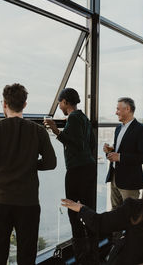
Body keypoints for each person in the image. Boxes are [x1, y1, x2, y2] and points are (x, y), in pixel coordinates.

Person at [0, 83, 57, 265]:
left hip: (0, 202)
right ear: (25, 105)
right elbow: (51, 163)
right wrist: (30, 165)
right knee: (27, 255)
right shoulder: (38, 131)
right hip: (28, 203)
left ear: (4, 104)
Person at [43, 88, 97, 264]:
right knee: (88, 211)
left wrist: (55, 130)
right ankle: (93, 255)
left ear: (65, 101)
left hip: (77, 170)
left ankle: (81, 258)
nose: (59, 106)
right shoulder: (84, 118)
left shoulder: (73, 118)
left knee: (73, 214)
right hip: (89, 168)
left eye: (59, 103)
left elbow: (77, 144)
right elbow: (90, 144)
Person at [103, 97, 143, 210]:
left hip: (130, 181)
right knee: (115, 211)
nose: (116, 112)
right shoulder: (118, 128)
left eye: (118, 109)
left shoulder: (141, 130)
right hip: (115, 177)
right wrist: (110, 151)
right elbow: (120, 150)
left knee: (131, 214)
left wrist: (119, 157)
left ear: (128, 109)